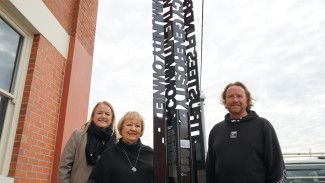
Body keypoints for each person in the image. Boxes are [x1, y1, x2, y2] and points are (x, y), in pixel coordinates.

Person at [206, 81, 286, 183]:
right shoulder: (216, 130)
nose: (235, 100)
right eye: (230, 96)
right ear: (225, 101)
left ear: (247, 101)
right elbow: (210, 171)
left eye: (239, 96)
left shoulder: (263, 126)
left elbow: (276, 168)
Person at [58, 101, 117, 183]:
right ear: (93, 116)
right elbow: (64, 166)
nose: (103, 116)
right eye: (99, 113)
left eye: (107, 114)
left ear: (111, 119)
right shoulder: (78, 135)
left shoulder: (116, 143)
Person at [88, 111, 153, 183]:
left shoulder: (151, 154)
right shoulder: (108, 155)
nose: (133, 129)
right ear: (121, 128)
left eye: (137, 126)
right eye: (129, 125)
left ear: (141, 131)